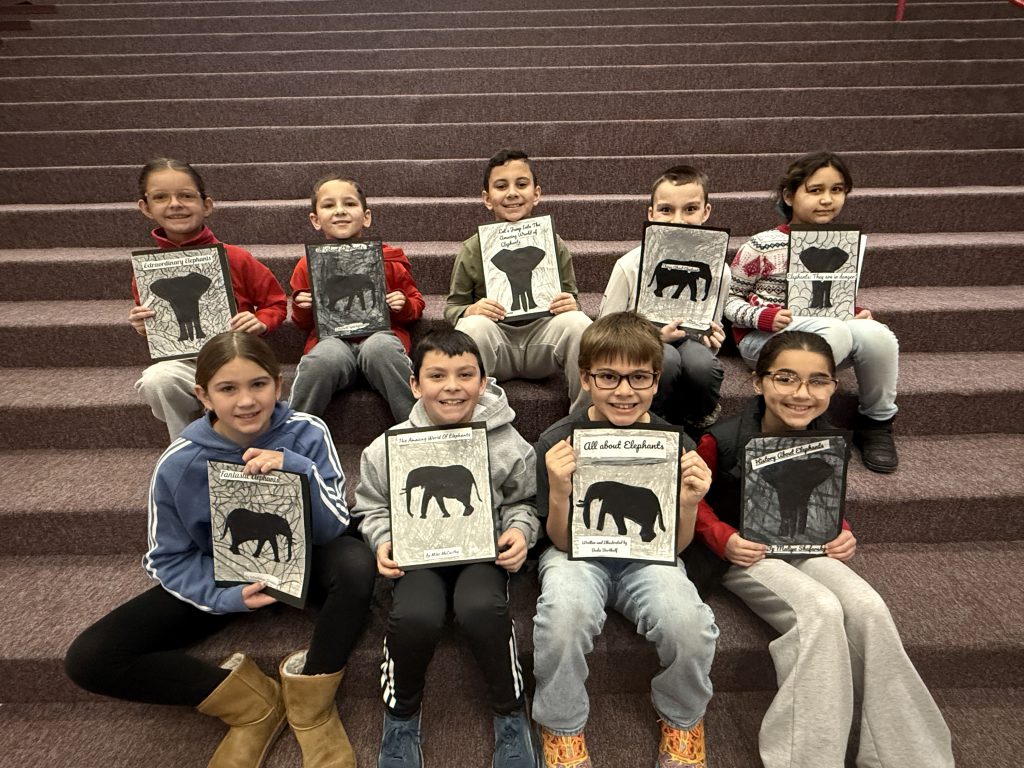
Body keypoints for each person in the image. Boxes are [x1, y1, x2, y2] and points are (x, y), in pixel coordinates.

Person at [65, 331, 377, 768]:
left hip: (306, 560)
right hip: (224, 571)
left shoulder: (308, 432)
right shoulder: (179, 461)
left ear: (278, 385)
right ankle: (250, 705)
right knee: (89, 659)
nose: (246, 401)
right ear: (203, 396)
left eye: (258, 384)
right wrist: (225, 595)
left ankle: (313, 705)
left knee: (356, 565)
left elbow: (336, 526)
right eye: (228, 389)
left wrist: (300, 471)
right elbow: (167, 558)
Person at [693, 330, 952, 768]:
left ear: (833, 386)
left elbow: (827, 500)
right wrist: (724, 538)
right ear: (758, 381)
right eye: (785, 378)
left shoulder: (830, 440)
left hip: (807, 545)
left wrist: (841, 530)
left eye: (817, 381)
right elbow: (691, 501)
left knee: (869, 607)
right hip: (744, 553)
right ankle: (807, 758)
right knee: (819, 610)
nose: (801, 394)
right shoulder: (722, 439)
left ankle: (906, 756)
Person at [532, 312, 718, 768]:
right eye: (608, 377)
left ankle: (683, 717)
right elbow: (559, 539)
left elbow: (675, 546)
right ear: (586, 378)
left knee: (689, 625)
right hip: (575, 552)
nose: (624, 391)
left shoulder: (677, 444)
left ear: (656, 380)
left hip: (650, 557)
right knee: (563, 616)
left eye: (639, 377)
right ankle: (561, 725)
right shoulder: (557, 441)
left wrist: (689, 503)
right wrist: (558, 491)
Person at [354, 328, 542, 768]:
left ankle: (511, 712)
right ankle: (401, 715)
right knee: (414, 615)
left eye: (465, 375)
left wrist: (520, 532)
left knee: (482, 608)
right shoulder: (386, 448)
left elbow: (525, 501)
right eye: (437, 376)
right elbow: (372, 506)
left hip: (482, 554)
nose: (452, 386)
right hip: (418, 557)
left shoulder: (509, 443)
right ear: (415, 384)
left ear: (483, 381)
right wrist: (383, 540)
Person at [723, 151, 900, 473]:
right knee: (835, 331)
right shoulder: (763, 245)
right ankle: (811, 416)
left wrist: (855, 312)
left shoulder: (844, 244)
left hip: (829, 332)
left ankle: (877, 422)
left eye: (837, 190)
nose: (827, 200)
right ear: (789, 196)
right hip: (765, 341)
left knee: (877, 334)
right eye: (815, 190)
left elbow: (833, 296)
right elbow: (729, 301)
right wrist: (764, 317)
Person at [129, 158, 288, 441]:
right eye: (161, 197)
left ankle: (247, 438)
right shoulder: (147, 271)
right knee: (157, 380)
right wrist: (145, 327)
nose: (175, 204)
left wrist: (261, 321)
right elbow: (160, 324)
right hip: (186, 364)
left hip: (238, 359)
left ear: (207, 205)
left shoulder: (236, 258)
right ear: (146, 207)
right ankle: (188, 446)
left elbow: (275, 303)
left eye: (186, 196)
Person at [444, 148, 592, 412]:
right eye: (501, 186)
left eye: (521, 184)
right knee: (472, 327)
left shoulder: (553, 243)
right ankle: (476, 418)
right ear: (487, 199)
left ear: (536, 194)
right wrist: (471, 310)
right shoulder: (473, 248)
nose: (512, 193)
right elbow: (453, 307)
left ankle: (584, 416)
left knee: (579, 323)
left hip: (543, 343)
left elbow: (572, 296)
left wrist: (570, 304)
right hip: (496, 343)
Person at [598, 164, 727, 435]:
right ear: (651, 214)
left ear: (706, 212)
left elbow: (710, 324)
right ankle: (649, 422)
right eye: (666, 210)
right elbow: (604, 332)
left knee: (702, 365)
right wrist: (654, 339)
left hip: (690, 342)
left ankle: (697, 422)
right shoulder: (629, 265)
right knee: (665, 360)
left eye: (690, 209)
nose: (678, 220)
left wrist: (713, 337)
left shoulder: (720, 270)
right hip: (636, 346)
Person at [289, 174, 424, 420]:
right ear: (315, 220)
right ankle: (295, 429)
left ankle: (418, 426)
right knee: (322, 359)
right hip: (333, 341)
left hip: (379, 338)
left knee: (381, 348)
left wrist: (403, 304)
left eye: (349, 203)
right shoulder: (307, 265)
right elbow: (302, 323)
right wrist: (302, 307)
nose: (340, 211)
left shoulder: (388, 260)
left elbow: (416, 303)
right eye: (329, 205)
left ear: (367, 216)